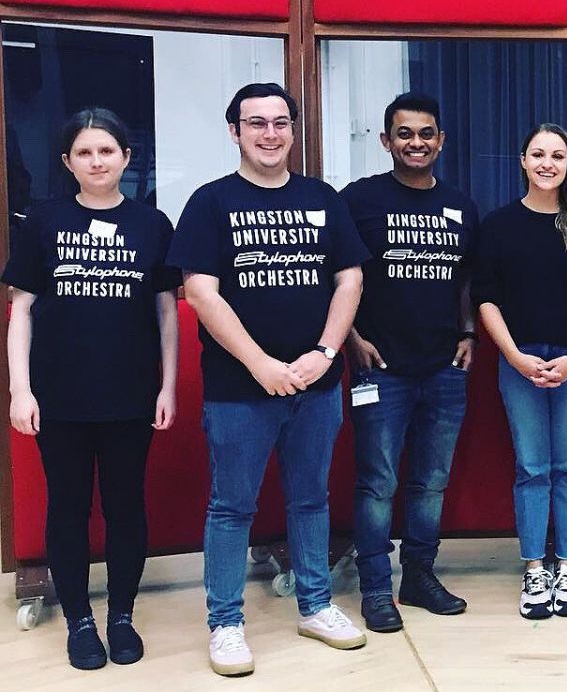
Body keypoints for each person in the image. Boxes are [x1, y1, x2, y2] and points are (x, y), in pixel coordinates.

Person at [168, 83, 370, 676]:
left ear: (293, 130)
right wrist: (259, 363)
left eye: (281, 122)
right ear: (235, 131)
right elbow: (200, 292)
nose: (270, 134)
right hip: (239, 391)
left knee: (311, 499)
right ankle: (226, 623)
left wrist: (326, 352)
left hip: (317, 382)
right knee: (232, 507)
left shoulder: (322, 199)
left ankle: (316, 605)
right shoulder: (210, 203)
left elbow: (350, 280)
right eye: (256, 123)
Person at [4, 109, 179, 670]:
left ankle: (121, 615)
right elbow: (23, 309)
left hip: (130, 395)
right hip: (60, 397)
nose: (96, 162)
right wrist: (20, 390)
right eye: (84, 152)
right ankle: (80, 620)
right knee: (68, 508)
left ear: (127, 158)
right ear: (67, 162)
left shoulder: (152, 225)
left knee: (127, 507)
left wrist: (168, 385)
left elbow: (165, 312)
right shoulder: (43, 222)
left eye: (106, 151)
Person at [339, 92, 479, 633]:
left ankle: (418, 576)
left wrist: (468, 332)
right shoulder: (358, 200)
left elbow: (467, 277)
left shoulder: (462, 206)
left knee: (432, 481)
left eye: (426, 134)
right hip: (380, 368)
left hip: (444, 366)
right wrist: (349, 336)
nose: (415, 143)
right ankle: (375, 587)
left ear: (440, 141)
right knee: (378, 482)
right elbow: (338, 274)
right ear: (385, 140)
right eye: (404, 134)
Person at [473, 124, 567, 620]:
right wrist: (512, 355)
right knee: (532, 467)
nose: (547, 163)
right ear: (523, 160)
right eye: (538, 154)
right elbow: (484, 299)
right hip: (521, 362)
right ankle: (535, 568)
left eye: (557, 155)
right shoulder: (498, 225)